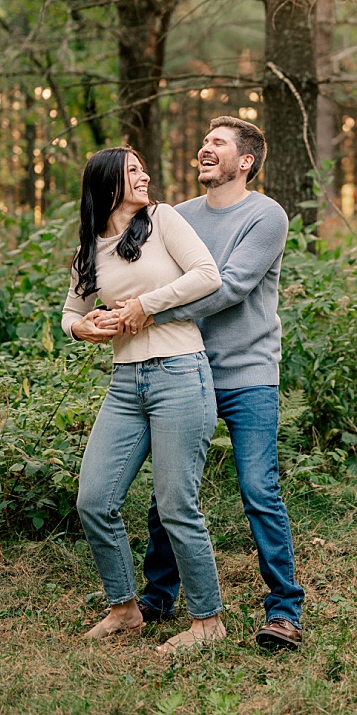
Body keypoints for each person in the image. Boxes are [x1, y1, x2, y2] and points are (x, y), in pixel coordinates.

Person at [114, 117, 305, 651]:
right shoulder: (179, 215)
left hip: (247, 373)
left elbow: (232, 287)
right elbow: (150, 277)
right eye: (204, 141)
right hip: (181, 367)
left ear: (245, 161)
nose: (204, 147)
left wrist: (147, 314)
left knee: (258, 489)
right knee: (168, 493)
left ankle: (285, 609)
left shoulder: (266, 216)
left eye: (217, 143)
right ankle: (158, 596)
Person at [62, 147, 225, 654]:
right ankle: (124, 608)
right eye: (132, 170)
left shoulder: (163, 219)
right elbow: (71, 311)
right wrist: (83, 328)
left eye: (142, 167)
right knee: (94, 499)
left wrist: (144, 306)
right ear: (107, 182)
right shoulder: (92, 246)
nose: (144, 175)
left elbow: (207, 275)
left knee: (177, 504)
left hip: (180, 373)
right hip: (125, 383)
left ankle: (207, 621)